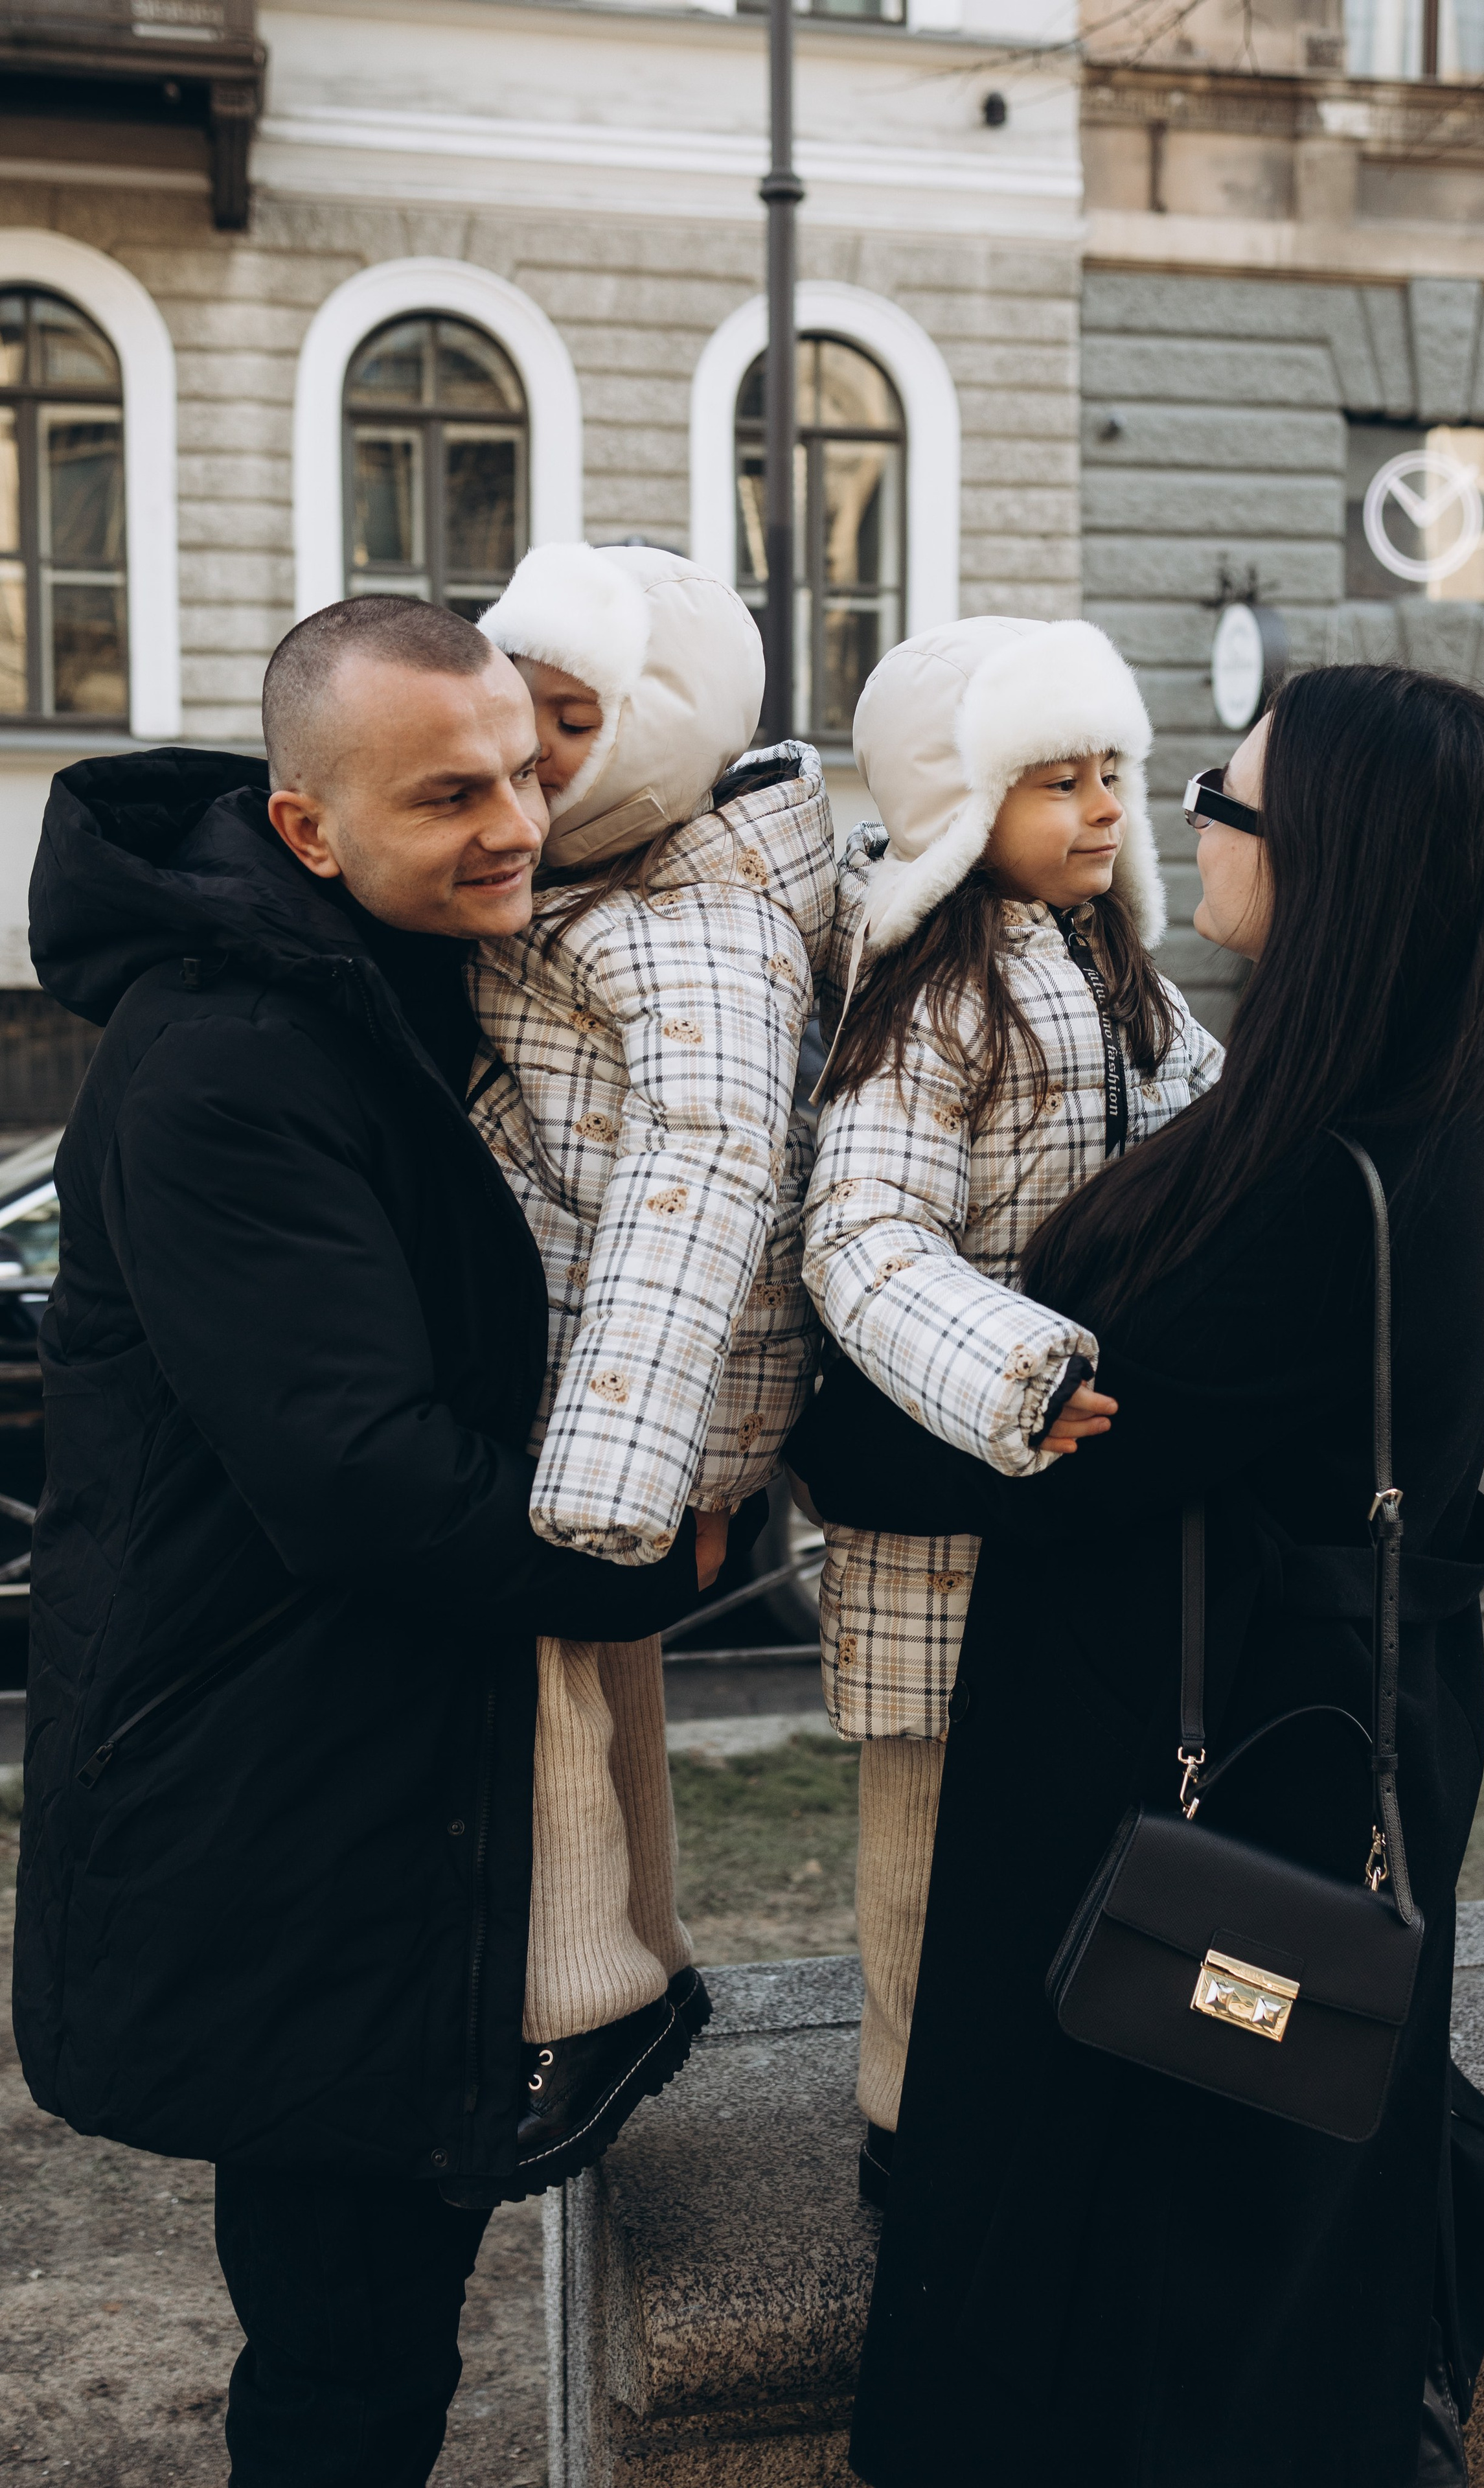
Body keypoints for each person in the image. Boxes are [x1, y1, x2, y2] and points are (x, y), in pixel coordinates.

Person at [788, 663, 1484, 2488]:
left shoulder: (1307, 1174)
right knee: (1259, 2214)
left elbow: (1055, 1448)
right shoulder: (1437, 1101)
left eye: (1225, 795)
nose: (1181, 818)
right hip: (1325, 1738)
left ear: (1329, 863)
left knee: (1147, 2264)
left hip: (1194, 1781)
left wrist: (825, 1422)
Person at [14, 596, 743, 2486]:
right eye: (448, 795)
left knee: (379, 2335)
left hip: (368, 1765)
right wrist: (655, 1557)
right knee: (346, 2357)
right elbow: (360, 1473)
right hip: (275, 1789)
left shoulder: (412, 988)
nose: (514, 823)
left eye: (523, 770)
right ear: (307, 829)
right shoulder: (230, 1057)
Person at [798, 617, 1220, 2201]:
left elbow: (1212, 1121)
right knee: (922, 1828)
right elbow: (860, 1231)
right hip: (947, 1488)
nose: (1104, 808)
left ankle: (1052, 2093)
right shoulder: (935, 994)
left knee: (1068, 1817)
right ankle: (907, 2123)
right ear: (961, 805)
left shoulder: (1118, 971)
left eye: (1111, 770)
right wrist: (1013, 1369)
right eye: (1056, 781)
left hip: (1073, 1501)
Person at [462, 541, 836, 2192]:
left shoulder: (691, 920)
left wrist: (614, 1476)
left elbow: (703, 1170)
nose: (530, 755)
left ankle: (580, 1999)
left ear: (662, 734)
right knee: (599, 1673)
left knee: (541, 1663)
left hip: (638, 1373)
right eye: (515, 710)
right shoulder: (611, 878)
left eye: (572, 720)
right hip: (617, 1355)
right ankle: (643, 1958)